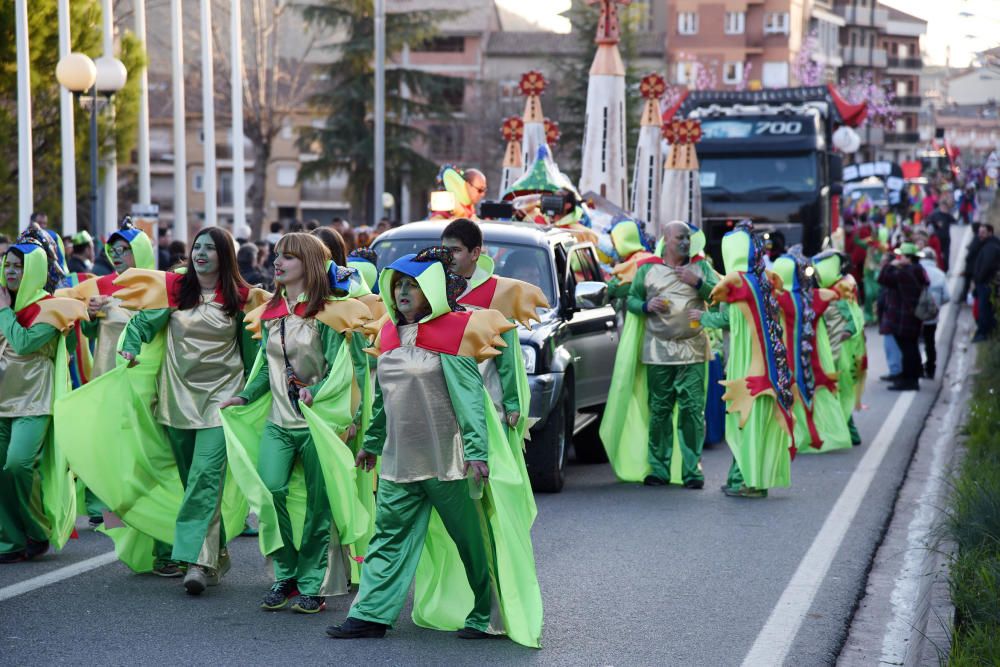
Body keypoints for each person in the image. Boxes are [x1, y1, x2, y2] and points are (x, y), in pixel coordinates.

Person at [326, 247, 542, 646]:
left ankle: (487, 614)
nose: (403, 292)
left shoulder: (454, 331)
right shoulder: (389, 332)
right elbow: (384, 399)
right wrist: (371, 444)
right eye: (399, 285)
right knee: (386, 539)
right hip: (397, 463)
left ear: (433, 289)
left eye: (413, 285)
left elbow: (470, 400)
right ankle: (370, 615)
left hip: (450, 464)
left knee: (472, 543)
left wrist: (477, 452)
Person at [75, 227, 269, 592]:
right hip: (176, 402)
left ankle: (196, 562)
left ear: (224, 256)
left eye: (210, 248)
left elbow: (254, 356)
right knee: (190, 482)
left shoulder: (243, 298)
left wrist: (249, 396)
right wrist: (130, 348)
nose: (201, 253)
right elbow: (140, 324)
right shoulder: (175, 290)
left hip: (221, 402)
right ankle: (216, 553)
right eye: (198, 246)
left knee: (203, 480)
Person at [219, 233, 372, 614]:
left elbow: (346, 370)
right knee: (270, 494)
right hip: (278, 423)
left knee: (320, 509)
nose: (278, 262)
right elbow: (263, 369)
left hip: (319, 425)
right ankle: (284, 575)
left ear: (309, 263)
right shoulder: (271, 312)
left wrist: (323, 400)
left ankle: (312, 585)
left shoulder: (331, 314)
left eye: (288, 256)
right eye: (276, 256)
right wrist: (244, 396)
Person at [55, 218, 159, 531]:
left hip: (146, 378)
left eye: (125, 249)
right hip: (107, 375)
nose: (116, 254)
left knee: (143, 444)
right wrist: (87, 313)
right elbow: (85, 330)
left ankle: (144, 504)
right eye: (113, 249)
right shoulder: (101, 287)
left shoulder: (159, 287)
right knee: (108, 440)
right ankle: (105, 503)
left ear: (140, 251)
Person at [600, 220, 718, 488]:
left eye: (687, 238)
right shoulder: (647, 269)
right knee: (660, 411)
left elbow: (718, 296)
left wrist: (697, 282)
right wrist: (645, 304)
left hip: (693, 351)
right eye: (680, 238)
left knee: (692, 411)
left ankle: (692, 471)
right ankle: (659, 468)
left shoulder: (701, 267)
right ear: (666, 239)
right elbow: (630, 300)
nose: (686, 243)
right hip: (658, 351)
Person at [0, 230, 87, 563]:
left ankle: (37, 530)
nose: (10, 272)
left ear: (33, 271)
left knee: (17, 465)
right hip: (1, 401)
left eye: (18, 267)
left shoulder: (52, 309)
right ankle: (9, 541)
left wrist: (4, 312)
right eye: (7, 265)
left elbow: (23, 343)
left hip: (33, 403)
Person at [441, 219, 548, 469]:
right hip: (445, 400)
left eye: (455, 250)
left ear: (475, 252)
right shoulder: (434, 289)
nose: (448, 257)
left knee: (489, 471)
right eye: (444, 251)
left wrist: (512, 403)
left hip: (487, 399)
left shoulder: (495, 292)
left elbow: (507, 354)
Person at [706, 222, 795, 498]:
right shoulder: (763, 279)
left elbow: (726, 317)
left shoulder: (738, 282)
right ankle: (747, 478)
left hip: (747, 365)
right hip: (767, 366)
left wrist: (702, 318)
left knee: (743, 420)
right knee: (754, 421)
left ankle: (747, 481)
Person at [772, 252, 852, 453]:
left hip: (785, 359)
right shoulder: (817, 297)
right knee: (817, 394)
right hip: (814, 358)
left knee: (789, 394)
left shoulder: (777, 299)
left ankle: (794, 436)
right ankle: (818, 436)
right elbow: (833, 295)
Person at [814, 250, 867, 444]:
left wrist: (846, 334)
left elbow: (853, 320)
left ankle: (846, 433)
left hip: (839, 351)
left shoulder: (839, 290)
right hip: (835, 349)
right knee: (838, 391)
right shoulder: (837, 287)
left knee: (837, 390)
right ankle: (849, 433)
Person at [877, 242, 928, 390]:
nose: (899, 258)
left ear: (909, 258)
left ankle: (909, 381)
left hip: (904, 318)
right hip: (913, 317)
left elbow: (883, 279)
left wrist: (890, 265)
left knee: (908, 350)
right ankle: (912, 378)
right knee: (912, 348)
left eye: (901, 256)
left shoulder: (905, 273)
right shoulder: (919, 270)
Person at [918, 247, 948, 378]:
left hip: (917, 314)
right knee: (930, 342)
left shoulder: (917, 271)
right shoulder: (940, 274)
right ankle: (931, 369)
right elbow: (947, 296)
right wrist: (937, 304)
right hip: (932, 314)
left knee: (914, 342)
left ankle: (917, 368)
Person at [972, 223, 1000, 342]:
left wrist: (979, 279)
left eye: (983, 232)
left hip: (986, 283)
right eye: (979, 232)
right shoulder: (988, 245)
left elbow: (987, 266)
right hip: (985, 282)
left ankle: (985, 333)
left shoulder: (991, 247)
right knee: (985, 309)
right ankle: (989, 331)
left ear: (990, 233)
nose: (980, 235)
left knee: (985, 309)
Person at [926, 194, 956, 272]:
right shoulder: (934, 215)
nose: (943, 208)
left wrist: (948, 213)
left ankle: (946, 269)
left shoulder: (948, 216)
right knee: (937, 254)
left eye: (945, 207)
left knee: (946, 254)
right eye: (942, 206)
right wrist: (935, 224)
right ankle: (937, 268)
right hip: (937, 238)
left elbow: (955, 222)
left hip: (946, 237)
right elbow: (928, 222)